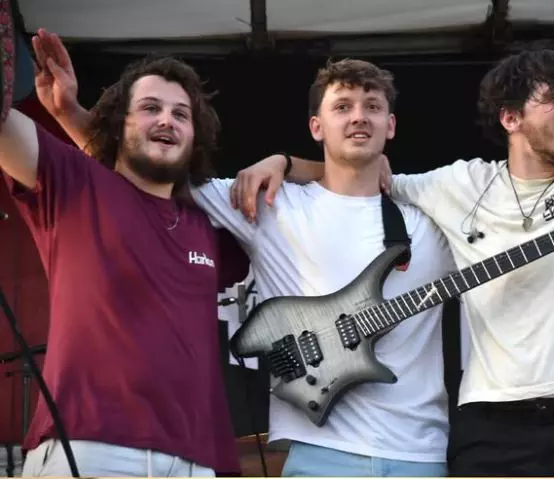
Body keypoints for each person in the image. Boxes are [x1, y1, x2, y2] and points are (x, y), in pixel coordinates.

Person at [234, 1, 554, 476]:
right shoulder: (460, 185)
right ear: (511, 118)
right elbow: (360, 169)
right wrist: (283, 163)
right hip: (493, 427)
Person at [38, 36, 457, 475]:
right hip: (318, 451)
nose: (358, 117)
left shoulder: (430, 222)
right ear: (316, 127)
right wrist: (69, 113)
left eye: (372, 106)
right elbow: (142, 171)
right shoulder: (270, 203)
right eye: (342, 106)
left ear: (391, 125)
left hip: (421, 454)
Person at [0, 26, 247, 476]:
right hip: (91, 448)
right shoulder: (75, 182)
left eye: (181, 114)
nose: (167, 120)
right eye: (150, 108)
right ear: (118, 124)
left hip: (197, 462)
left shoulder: (208, 226)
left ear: (195, 135)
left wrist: (284, 162)